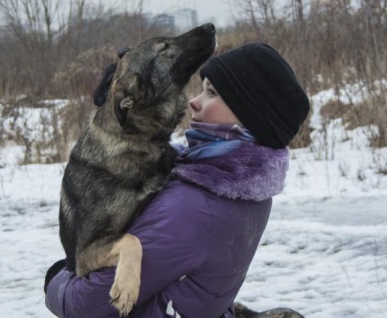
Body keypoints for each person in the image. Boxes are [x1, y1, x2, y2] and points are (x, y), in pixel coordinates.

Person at [44, 43, 310, 318]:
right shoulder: (248, 186)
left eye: (211, 93)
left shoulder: (192, 208)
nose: (194, 100)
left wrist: (58, 277)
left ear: (248, 116)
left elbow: (82, 305)